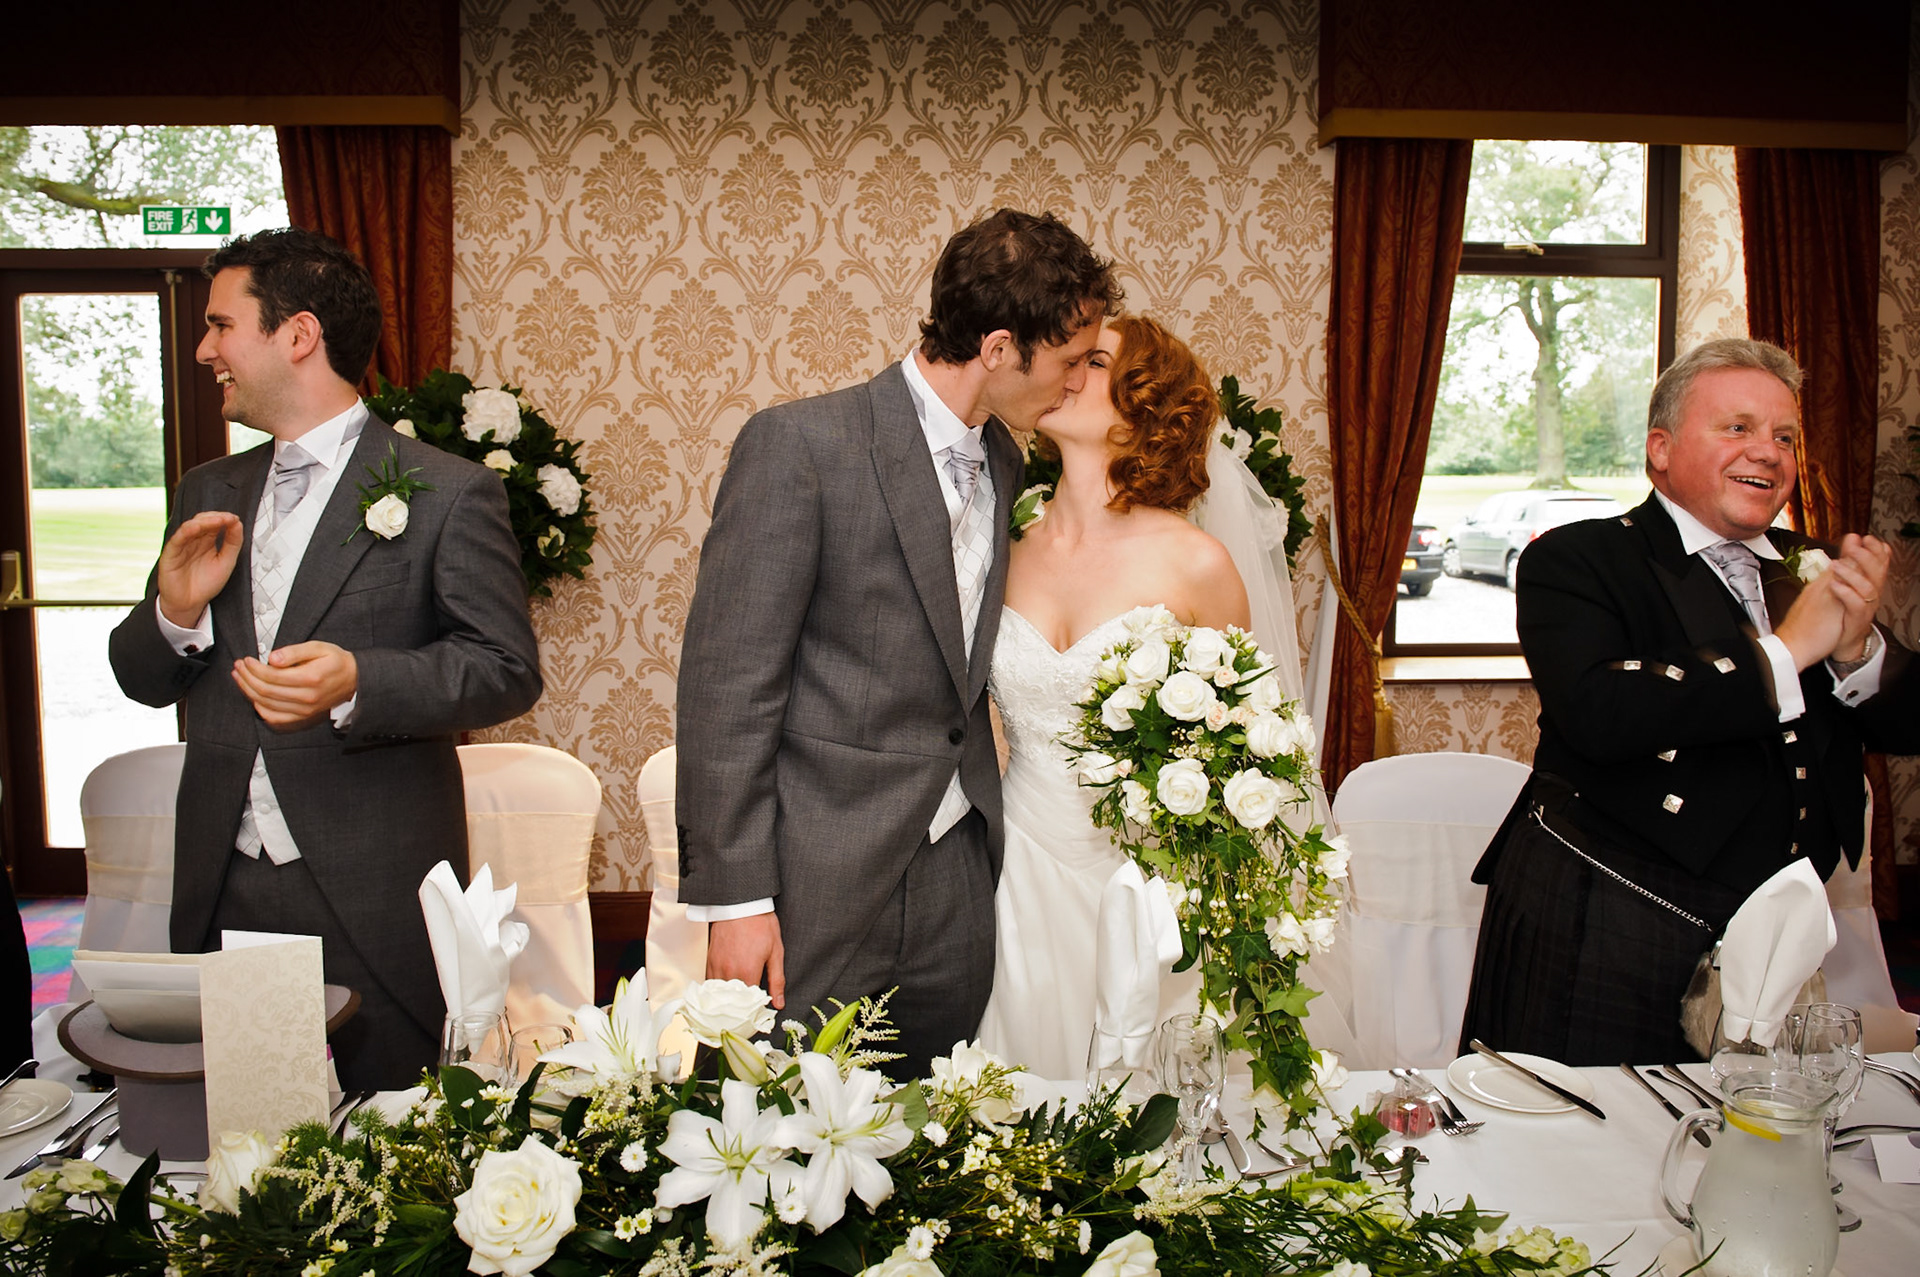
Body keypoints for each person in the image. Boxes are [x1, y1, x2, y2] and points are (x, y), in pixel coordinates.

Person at [675, 210, 1123, 1079]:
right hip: (818, 877)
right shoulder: (801, 445)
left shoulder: (1005, 461)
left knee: (935, 1148)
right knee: (775, 1144)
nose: (1075, 385)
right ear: (998, 348)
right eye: (1069, 362)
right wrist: (735, 900)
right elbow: (727, 690)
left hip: (959, 877)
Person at [109, 228, 542, 1089]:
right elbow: (140, 676)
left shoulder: (449, 490)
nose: (205, 350)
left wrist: (361, 680)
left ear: (297, 334)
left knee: (394, 1154)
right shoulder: (207, 489)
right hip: (225, 879)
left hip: (374, 882)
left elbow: (504, 667)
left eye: (221, 326)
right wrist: (176, 610)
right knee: (244, 1143)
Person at [1460, 337, 1920, 1066]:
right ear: (1661, 449)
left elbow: (1909, 718)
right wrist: (1788, 651)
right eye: (1737, 427)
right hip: (1606, 912)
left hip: (1775, 931)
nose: (1767, 451)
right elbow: (1601, 712)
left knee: (1746, 1147)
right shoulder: (1577, 560)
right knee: (1582, 1149)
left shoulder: (1813, 565)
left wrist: (1854, 653)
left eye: (1784, 436)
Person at [974, 314, 1250, 1082]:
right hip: (1014, 867)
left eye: (1093, 361)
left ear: (1144, 406)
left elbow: (1235, 758)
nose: (1064, 369)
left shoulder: (1197, 565)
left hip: (1138, 880)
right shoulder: (1001, 549)